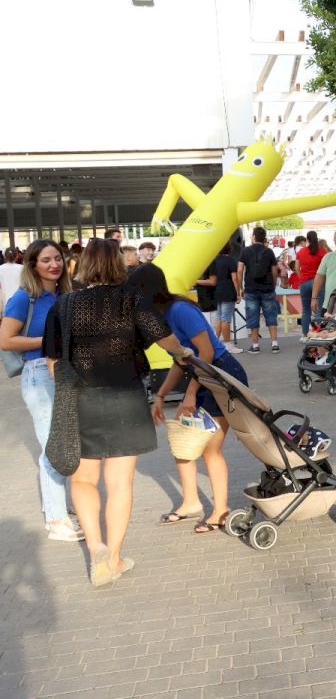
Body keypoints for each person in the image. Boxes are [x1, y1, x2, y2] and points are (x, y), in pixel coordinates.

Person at [42, 238, 191, 586]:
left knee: (82, 480)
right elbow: (163, 335)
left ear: (85, 265)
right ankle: (115, 557)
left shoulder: (64, 305)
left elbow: (52, 361)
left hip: (81, 400)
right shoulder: (132, 298)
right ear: (117, 264)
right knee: (120, 482)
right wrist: (181, 353)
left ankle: (96, 547)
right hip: (126, 397)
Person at [130, 264, 248, 535]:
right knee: (183, 444)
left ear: (146, 291)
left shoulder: (180, 310)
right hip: (202, 376)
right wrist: (160, 396)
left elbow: (206, 353)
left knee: (209, 449)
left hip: (221, 375)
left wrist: (190, 393)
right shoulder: (160, 317)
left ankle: (221, 511)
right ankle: (191, 503)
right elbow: (181, 360)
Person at [0, 240, 80, 542]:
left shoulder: (65, 295)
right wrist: (49, 340)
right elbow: (6, 340)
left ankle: (57, 506)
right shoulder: (24, 298)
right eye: (46, 260)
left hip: (64, 371)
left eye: (57, 258)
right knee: (53, 445)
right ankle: (56, 519)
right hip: (38, 374)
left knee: (65, 442)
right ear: (33, 265)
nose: (54, 265)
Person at [236, 226, 280, 353]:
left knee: (253, 317)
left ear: (254, 237)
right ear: (264, 238)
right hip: (267, 289)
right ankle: (274, 344)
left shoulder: (245, 251)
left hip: (251, 289)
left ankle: (255, 346)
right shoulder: (269, 252)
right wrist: (273, 285)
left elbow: (239, 270)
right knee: (271, 316)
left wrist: (240, 287)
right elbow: (274, 271)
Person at [295, 231, 327, 334]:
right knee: (319, 309)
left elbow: (297, 268)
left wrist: (301, 279)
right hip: (318, 283)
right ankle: (317, 334)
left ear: (307, 240)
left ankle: (305, 334)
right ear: (316, 239)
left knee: (306, 310)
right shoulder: (322, 252)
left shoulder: (301, 252)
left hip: (304, 283)